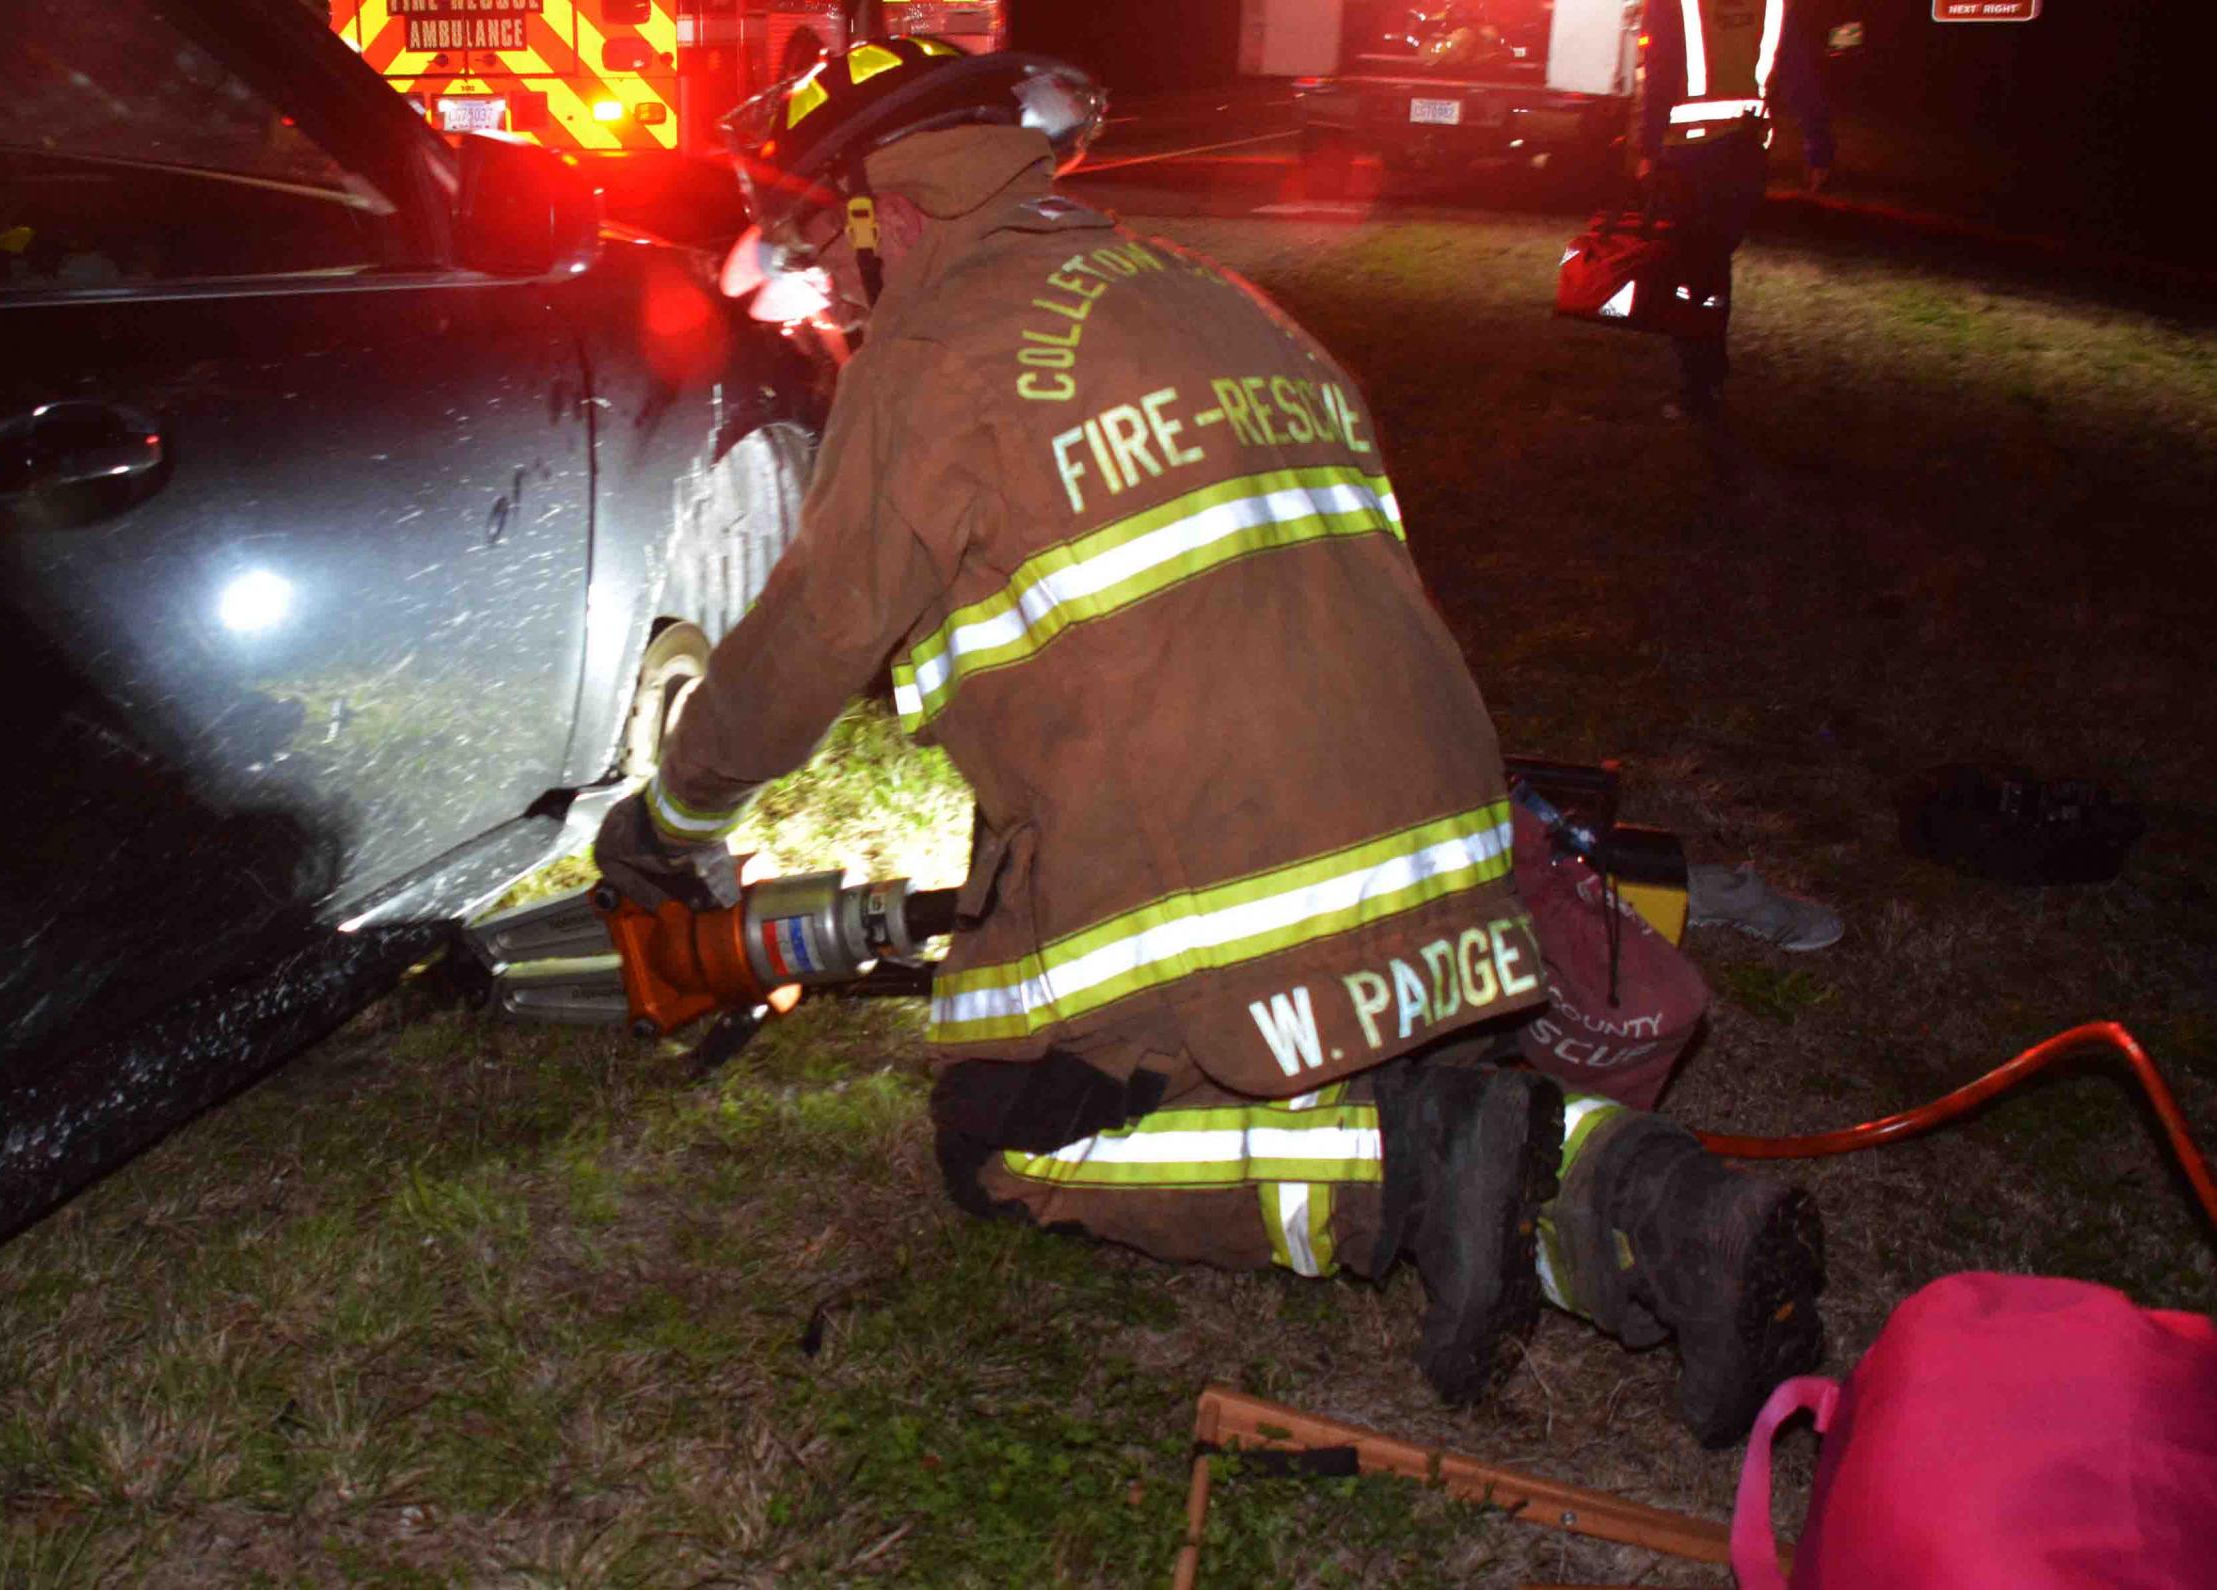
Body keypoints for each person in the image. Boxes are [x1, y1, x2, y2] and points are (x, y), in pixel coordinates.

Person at [595, 40, 1823, 1443]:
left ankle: (1399, 1170)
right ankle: (1666, 1211)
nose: (816, 295)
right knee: (1468, 1133)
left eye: (817, 246)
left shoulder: (935, 348)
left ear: (889, 213)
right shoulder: (1218, 295)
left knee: (999, 1136)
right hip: (1458, 878)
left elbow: (805, 642)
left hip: (1245, 882)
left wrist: (674, 816)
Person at [1634, 0, 1834, 419]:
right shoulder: (1775, 6)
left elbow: (1660, 74)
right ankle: (1706, 373)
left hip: (1689, 158)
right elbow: (1801, 76)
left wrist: (1647, 148)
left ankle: (1698, 382)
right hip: (1744, 158)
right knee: (1713, 266)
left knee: (1692, 271)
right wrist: (1818, 147)